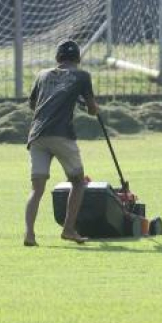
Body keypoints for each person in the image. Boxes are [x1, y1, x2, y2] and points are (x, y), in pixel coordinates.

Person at [24, 39, 98, 247]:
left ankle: (29, 235)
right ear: (78, 58)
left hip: (36, 135)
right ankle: (68, 229)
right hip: (62, 134)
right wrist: (90, 106)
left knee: (36, 189)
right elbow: (92, 109)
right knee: (78, 181)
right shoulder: (82, 76)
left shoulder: (42, 75)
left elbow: (33, 104)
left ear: (58, 58)